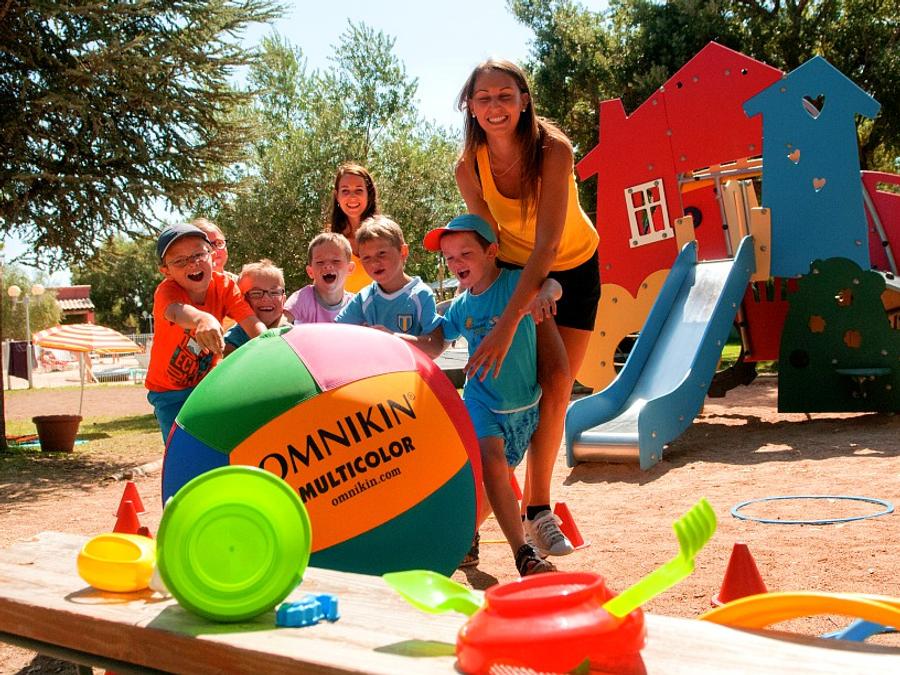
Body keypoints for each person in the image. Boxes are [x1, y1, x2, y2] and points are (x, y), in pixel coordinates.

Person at [455, 58, 601, 557]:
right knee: (512, 398)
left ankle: (538, 510)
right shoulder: (468, 166)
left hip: (573, 268)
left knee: (557, 385)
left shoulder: (553, 149)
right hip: (517, 274)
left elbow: (548, 244)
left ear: (523, 100)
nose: (494, 106)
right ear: (471, 107)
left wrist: (506, 325)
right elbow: (488, 243)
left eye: (505, 95)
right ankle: (469, 521)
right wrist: (490, 305)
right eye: (484, 98)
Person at [425, 214, 561, 576]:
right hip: (480, 400)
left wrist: (545, 296)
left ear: (491, 252)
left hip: (524, 405)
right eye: (449, 258)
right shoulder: (461, 306)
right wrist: (391, 340)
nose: (456, 263)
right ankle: (524, 554)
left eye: (465, 254)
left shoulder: (516, 283)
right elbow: (435, 343)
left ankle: (466, 535)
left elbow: (551, 284)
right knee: (493, 465)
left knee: (496, 479)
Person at [145, 223, 266, 440]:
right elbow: (176, 311)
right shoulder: (166, 291)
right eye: (180, 261)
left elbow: (251, 323)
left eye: (199, 254)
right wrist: (202, 319)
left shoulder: (225, 286)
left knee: (221, 440)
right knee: (180, 447)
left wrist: (270, 341)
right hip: (168, 393)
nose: (192, 263)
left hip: (207, 386)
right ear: (166, 271)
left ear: (211, 254)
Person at [335, 215, 444, 358]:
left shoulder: (420, 294)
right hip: (374, 371)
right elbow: (336, 333)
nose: (374, 263)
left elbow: (435, 346)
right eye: (366, 258)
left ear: (403, 252)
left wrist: (392, 338)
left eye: (382, 254)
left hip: (410, 371)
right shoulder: (365, 297)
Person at [327, 163, 379, 293]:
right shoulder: (328, 241)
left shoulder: (385, 237)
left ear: (369, 194)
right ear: (337, 196)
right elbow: (322, 289)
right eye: (345, 191)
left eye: (358, 190)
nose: (352, 197)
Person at [284, 232, 355, 324]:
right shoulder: (303, 298)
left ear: (350, 269)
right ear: (310, 272)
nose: (328, 266)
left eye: (336, 261)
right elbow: (281, 322)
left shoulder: (355, 305)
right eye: (320, 262)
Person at [223, 260, 291, 356]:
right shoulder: (231, 343)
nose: (266, 298)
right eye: (256, 293)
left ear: (284, 300)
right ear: (241, 302)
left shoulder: (293, 335)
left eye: (274, 292)